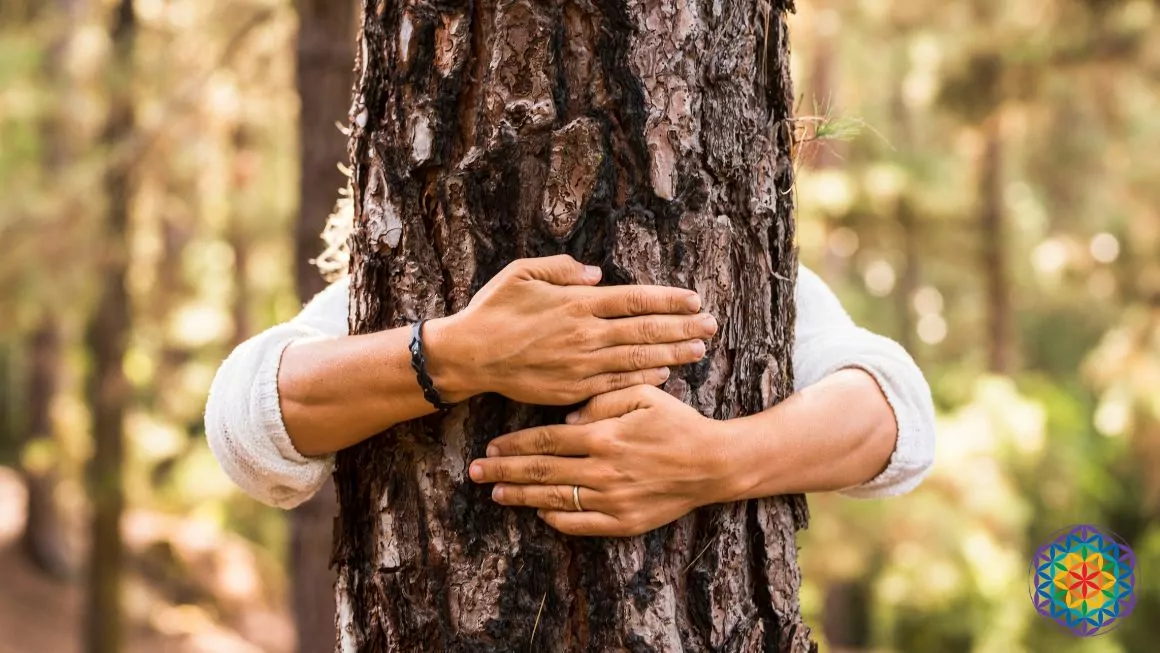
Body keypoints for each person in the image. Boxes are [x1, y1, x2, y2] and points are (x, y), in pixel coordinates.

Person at [205, 254, 935, 537]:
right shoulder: (406, 261)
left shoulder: (744, 264)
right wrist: (461, 353)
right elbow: (243, 422)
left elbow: (895, 415)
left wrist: (713, 459)